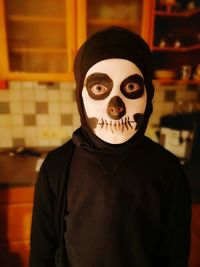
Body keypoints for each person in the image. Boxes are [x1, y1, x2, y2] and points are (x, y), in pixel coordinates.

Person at [29, 26, 191, 267]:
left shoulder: (169, 172)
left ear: (149, 92)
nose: (116, 107)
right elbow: (42, 252)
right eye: (99, 88)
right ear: (80, 95)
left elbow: (174, 256)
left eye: (131, 88)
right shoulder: (55, 168)